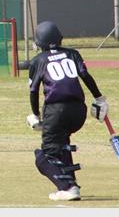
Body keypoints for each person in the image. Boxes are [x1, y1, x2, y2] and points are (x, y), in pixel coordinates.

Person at [25, 21, 109, 201]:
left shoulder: (38, 60)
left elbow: (33, 91)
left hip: (56, 111)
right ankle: (71, 182)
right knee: (62, 145)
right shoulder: (72, 53)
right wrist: (99, 99)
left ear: (39, 42)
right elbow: (85, 76)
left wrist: (36, 115)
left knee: (44, 157)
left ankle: (68, 188)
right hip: (78, 111)